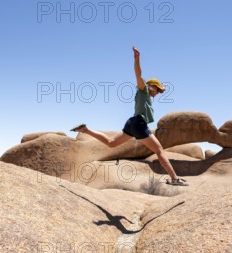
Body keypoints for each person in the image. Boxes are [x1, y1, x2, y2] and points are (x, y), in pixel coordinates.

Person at [71, 46, 188, 186]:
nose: (158, 93)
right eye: (158, 90)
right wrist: (137, 59)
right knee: (159, 150)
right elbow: (138, 75)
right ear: (152, 87)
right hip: (139, 124)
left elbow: (151, 86)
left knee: (111, 143)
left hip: (132, 122)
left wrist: (161, 86)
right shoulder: (143, 90)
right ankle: (174, 178)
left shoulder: (146, 96)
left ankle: (86, 130)